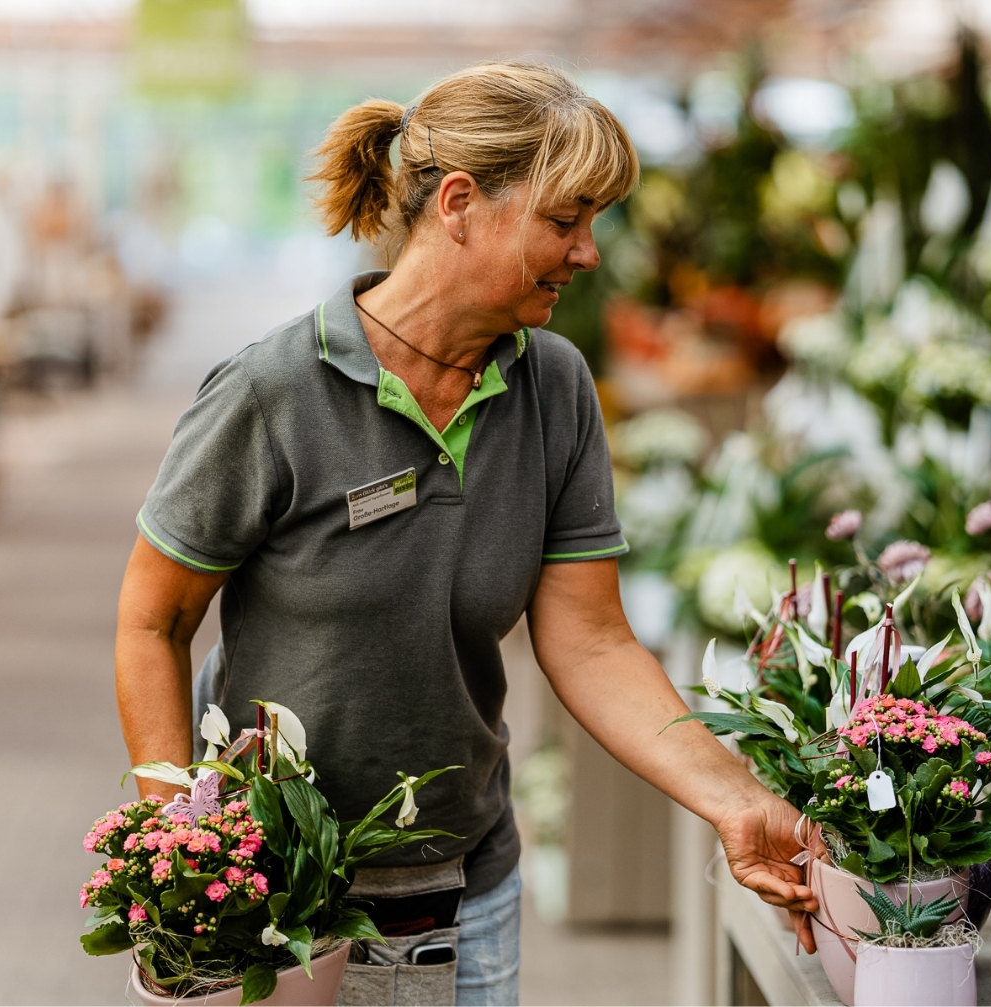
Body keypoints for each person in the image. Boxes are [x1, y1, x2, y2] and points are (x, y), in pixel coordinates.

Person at [114, 60, 818, 1006]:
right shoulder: (271, 392)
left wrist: (735, 800)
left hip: (464, 894)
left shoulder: (554, 387)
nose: (589, 254)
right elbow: (152, 623)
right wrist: (184, 850)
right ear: (459, 204)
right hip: (281, 902)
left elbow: (591, 637)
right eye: (565, 221)